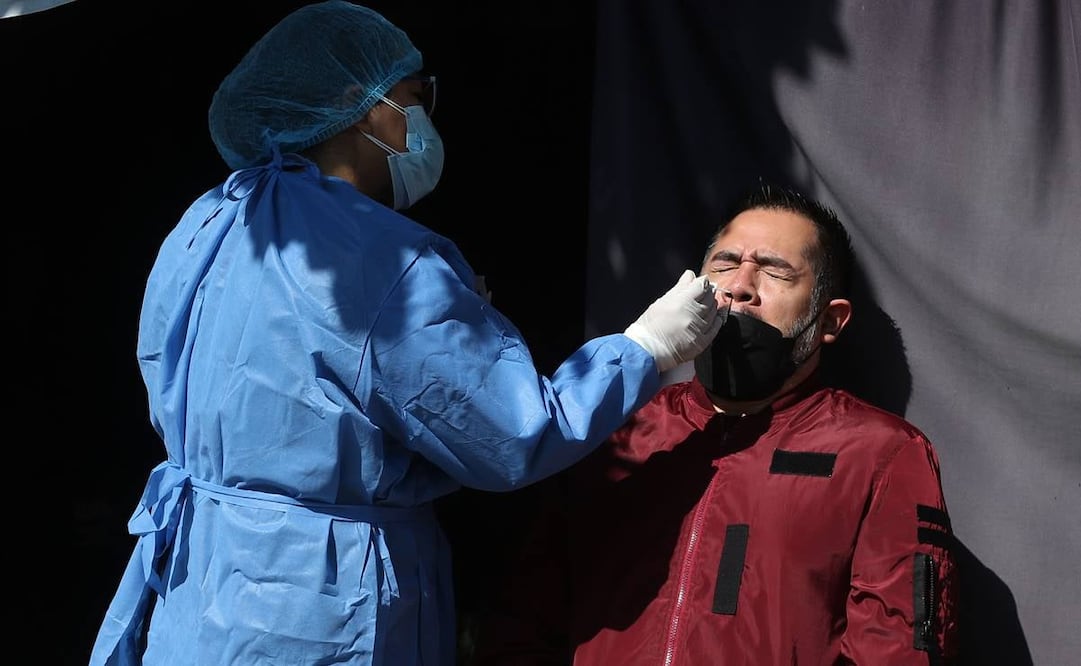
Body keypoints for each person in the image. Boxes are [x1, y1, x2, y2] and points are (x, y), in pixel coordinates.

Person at [87, 2, 725, 665]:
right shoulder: (383, 257)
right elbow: (512, 434)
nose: (424, 118)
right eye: (416, 98)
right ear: (356, 104)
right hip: (317, 605)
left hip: (199, 584)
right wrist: (644, 348)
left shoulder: (206, 224)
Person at [471, 183, 960, 665]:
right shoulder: (617, 431)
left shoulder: (880, 453)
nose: (739, 286)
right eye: (724, 264)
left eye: (775, 271)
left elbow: (898, 649)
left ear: (830, 321)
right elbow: (524, 622)